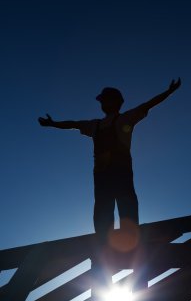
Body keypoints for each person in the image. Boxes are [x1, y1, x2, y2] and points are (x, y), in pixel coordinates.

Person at [38, 78, 181, 245]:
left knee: (126, 211)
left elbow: (147, 105)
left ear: (115, 102)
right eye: (102, 100)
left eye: (105, 100)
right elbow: (74, 124)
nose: (102, 103)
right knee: (102, 214)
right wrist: (53, 124)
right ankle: (104, 248)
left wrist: (168, 92)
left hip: (121, 174)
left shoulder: (125, 119)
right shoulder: (94, 125)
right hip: (102, 177)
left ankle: (130, 245)